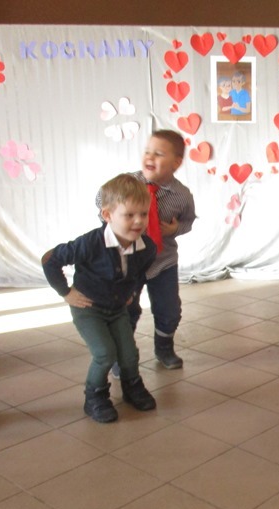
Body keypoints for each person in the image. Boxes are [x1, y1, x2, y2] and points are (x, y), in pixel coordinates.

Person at [44, 174, 158, 423]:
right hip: (89, 308)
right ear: (107, 215)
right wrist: (66, 292)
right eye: (129, 215)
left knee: (129, 354)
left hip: (117, 308)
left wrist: (131, 293)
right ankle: (94, 396)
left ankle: (132, 387)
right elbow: (50, 260)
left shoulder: (147, 248)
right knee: (105, 353)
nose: (139, 221)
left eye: (143, 214)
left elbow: (139, 273)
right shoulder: (90, 243)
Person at [95, 130, 196, 369]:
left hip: (163, 262)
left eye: (159, 154)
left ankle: (164, 348)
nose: (150, 157)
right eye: (147, 151)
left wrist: (175, 229)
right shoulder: (127, 183)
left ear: (176, 162)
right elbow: (101, 200)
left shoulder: (181, 195)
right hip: (129, 262)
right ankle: (123, 354)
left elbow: (188, 221)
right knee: (127, 309)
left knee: (169, 310)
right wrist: (113, 222)